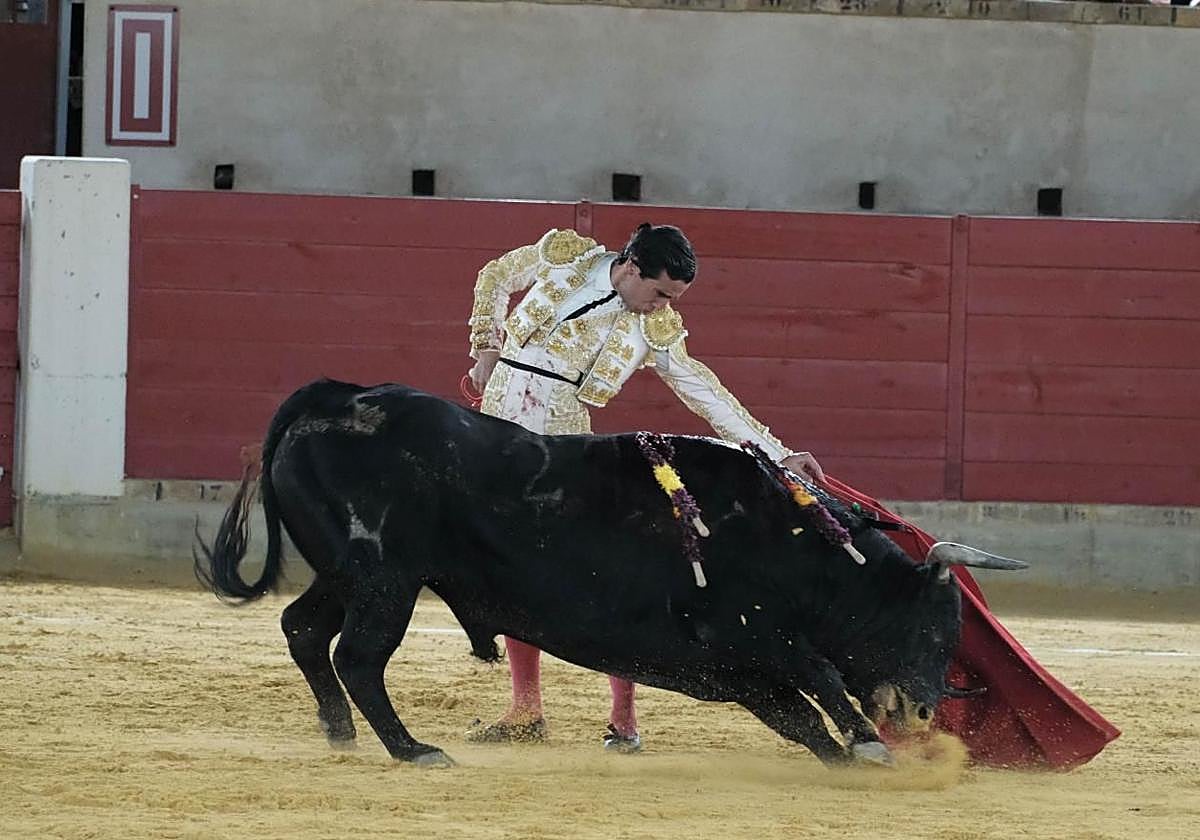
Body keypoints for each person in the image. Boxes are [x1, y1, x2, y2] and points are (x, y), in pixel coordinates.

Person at [464, 223, 823, 752]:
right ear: (632, 267)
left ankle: (624, 718)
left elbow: (703, 390)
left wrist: (775, 451)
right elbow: (495, 276)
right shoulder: (567, 258)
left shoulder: (655, 331)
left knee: (600, 575)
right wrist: (486, 346)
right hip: (495, 428)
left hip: (562, 443)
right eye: (660, 293)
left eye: (673, 299)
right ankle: (524, 712)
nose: (662, 308)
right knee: (509, 571)